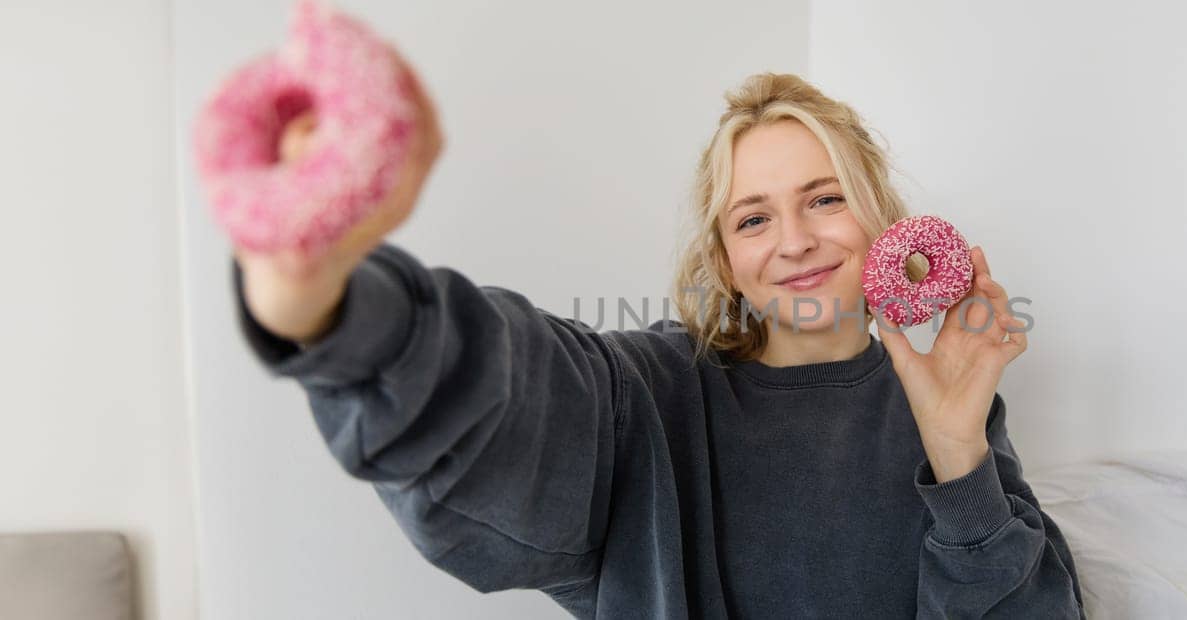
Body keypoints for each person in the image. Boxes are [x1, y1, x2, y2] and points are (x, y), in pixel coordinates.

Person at [231, 54, 1085, 619]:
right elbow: (527, 391)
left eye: (825, 199)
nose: (794, 241)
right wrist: (335, 305)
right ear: (725, 257)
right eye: (755, 218)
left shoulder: (947, 402)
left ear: (883, 221)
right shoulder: (652, 391)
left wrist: (957, 450)